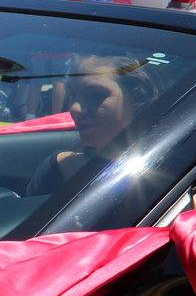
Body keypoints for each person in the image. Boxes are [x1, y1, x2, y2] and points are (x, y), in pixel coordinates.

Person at [25, 53, 161, 196]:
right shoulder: (55, 169)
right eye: (71, 95)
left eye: (96, 95)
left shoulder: (171, 177)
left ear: (138, 98)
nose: (74, 108)